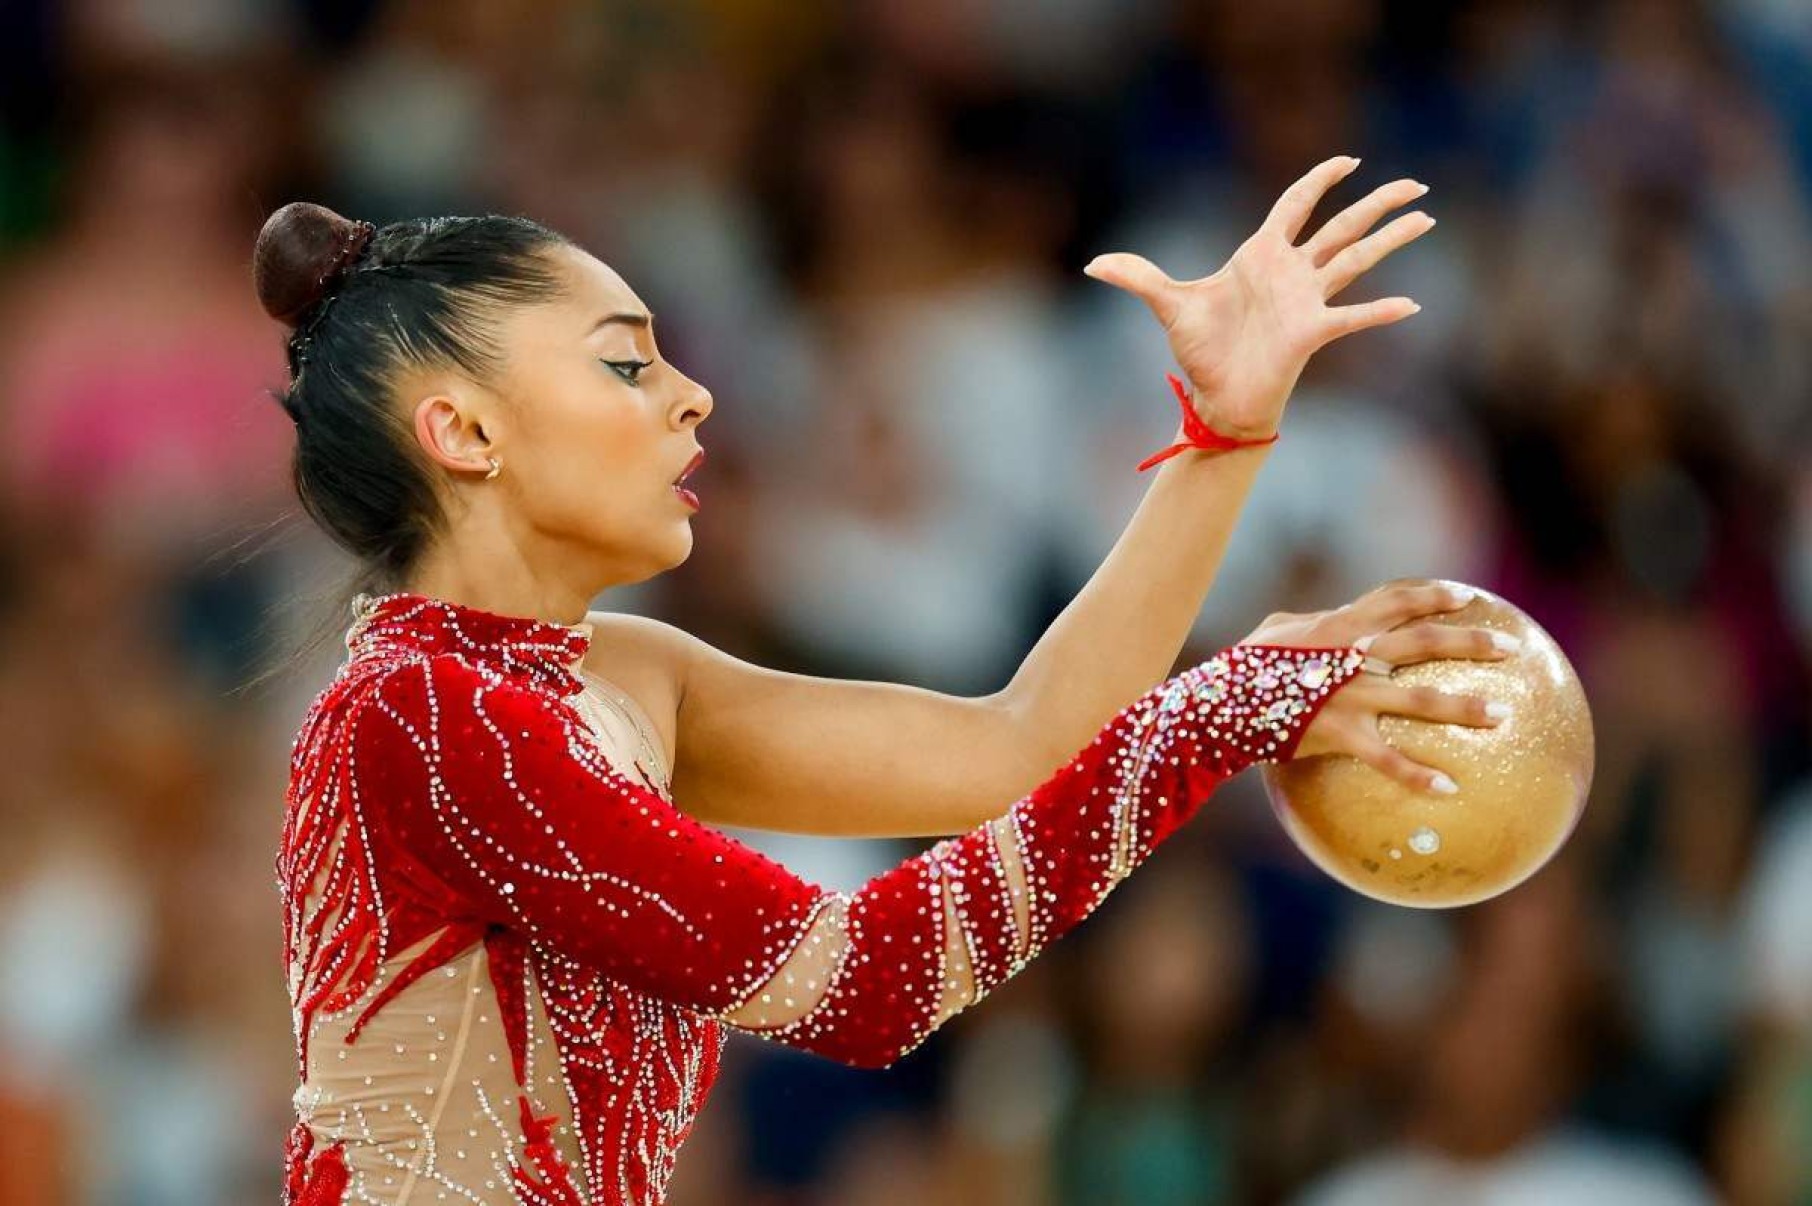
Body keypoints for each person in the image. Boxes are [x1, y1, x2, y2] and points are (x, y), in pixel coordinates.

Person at [264, 157, 1506, 1205]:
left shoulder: (623, 679)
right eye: (627, 367)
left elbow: (1016, 746)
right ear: (464, 432)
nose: (696, 396)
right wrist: (1223, 706)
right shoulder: (424, 716)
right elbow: (862, 982)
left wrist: (1222, 436)